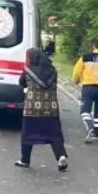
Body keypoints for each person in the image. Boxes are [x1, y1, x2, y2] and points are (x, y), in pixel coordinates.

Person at [16, 41, 68, 170]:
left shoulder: (27, 70)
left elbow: (22, 83)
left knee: (28, 134)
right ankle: (61, 156)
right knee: (55, 133)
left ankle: (25, 159)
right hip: (51, 108)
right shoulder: (52, 71)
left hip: (32, 109)